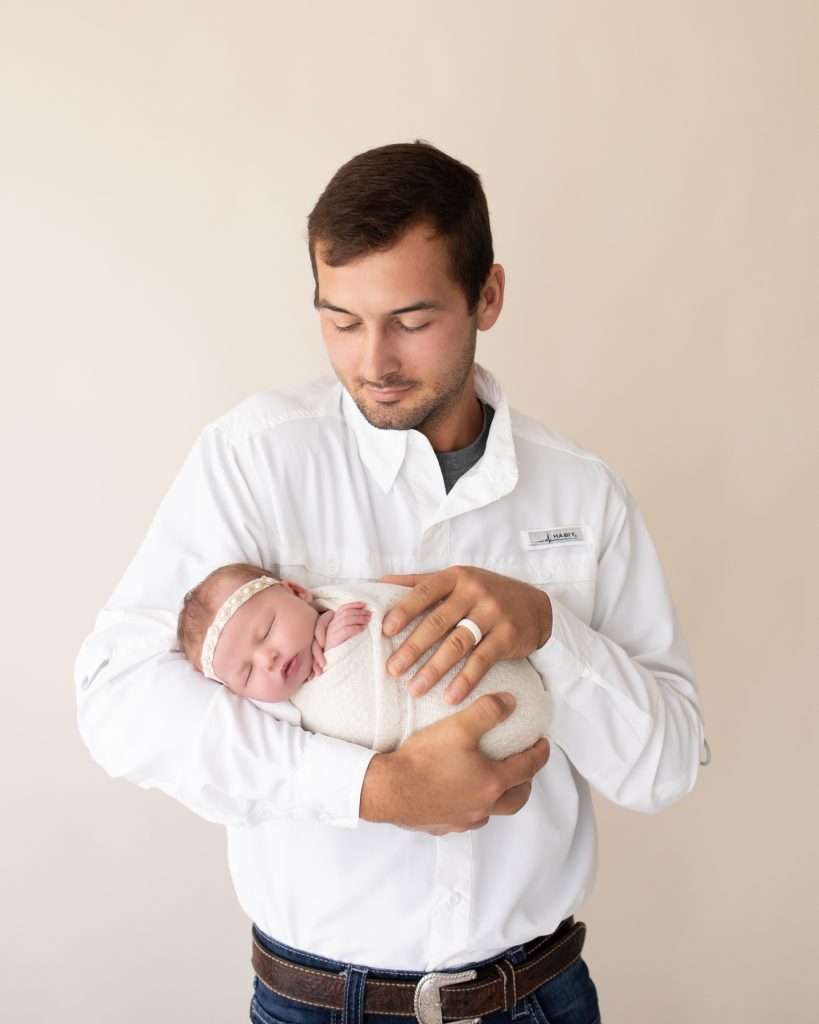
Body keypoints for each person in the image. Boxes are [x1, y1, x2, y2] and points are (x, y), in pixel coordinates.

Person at [75, 140, 705, 1023]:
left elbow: (667, 767)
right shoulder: (254, 459)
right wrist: (372, 793)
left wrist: (551, 631)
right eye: (339, 319)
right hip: (316, 1003)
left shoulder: (584, 494)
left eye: (411, 319)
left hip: (536, 997)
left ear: (486, 295)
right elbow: (117, 696)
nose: (372, 359)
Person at [176, 562, 551, 758]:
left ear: (297, 591)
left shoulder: (343, 605)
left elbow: (382, 613)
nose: (268, 658)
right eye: (247, 672)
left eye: (267, 629)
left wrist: (338, 634)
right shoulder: (293, 717)